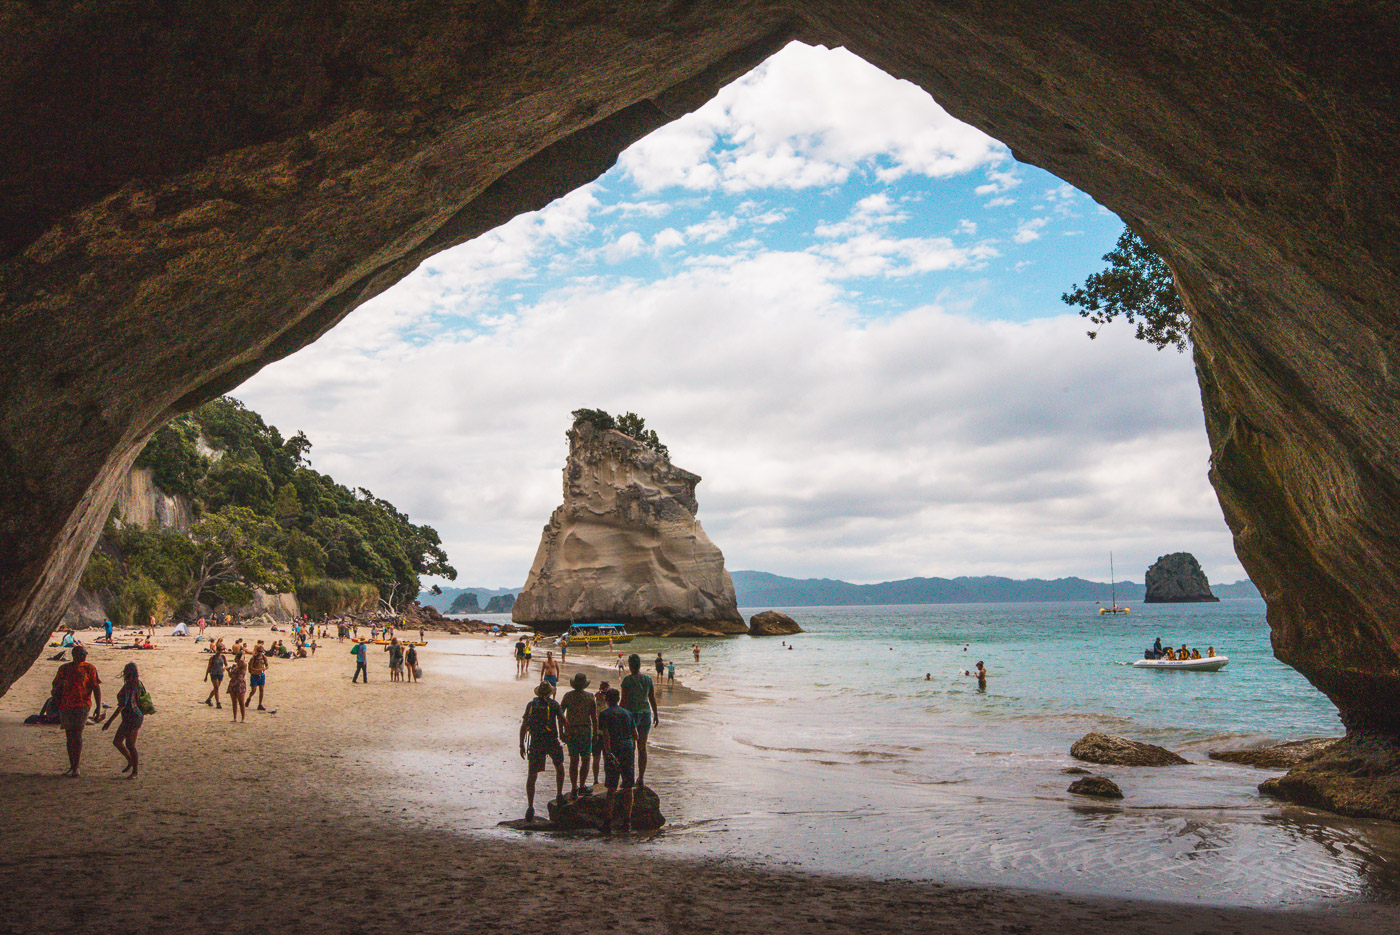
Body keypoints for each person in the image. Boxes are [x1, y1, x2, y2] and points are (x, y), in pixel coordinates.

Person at [52, 645, 102, 776]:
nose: (85, 655)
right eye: (83, 653)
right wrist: (60, 686)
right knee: (70, 735)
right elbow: (55, 685)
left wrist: (98, 706)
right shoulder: (64, 669)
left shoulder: (89, 668)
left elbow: (96, 688)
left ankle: (76, 766)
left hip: (82, 704)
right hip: (67, 705)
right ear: (76, 655)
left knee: (77, 734)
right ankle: (72, 765)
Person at [519, 682, 565, 823]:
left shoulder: (531, 705)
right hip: (551, 740)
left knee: (532, 775)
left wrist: (521, 744)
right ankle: (559, 795)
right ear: (550, 693)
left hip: (536, 741)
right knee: (560, 767)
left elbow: (524, 725)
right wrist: (564, 733)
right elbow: (563, 720)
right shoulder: (554, 705)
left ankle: (530, 807)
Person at [597, 688, 638, 835]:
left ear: (607, 700)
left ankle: (607, 823)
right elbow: (636, 735)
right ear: (619, 699)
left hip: (614, 748)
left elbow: (605, 735)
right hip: (628, 747)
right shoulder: (628, 713)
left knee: (612, 787)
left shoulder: (604, 714)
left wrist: (607, 753)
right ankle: (627, 823)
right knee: (628, 786)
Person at [620, 653, 658, 789]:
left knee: (630, 747)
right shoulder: (648, 679)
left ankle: (629, 778)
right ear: (640, 665)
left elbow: (623, 701)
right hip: (646, 714)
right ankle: (641, 778)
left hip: (632, 715)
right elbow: (652, 698)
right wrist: (656, 714)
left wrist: (618, 713)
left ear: (630, 666)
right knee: (642, 747)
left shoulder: (627, 680)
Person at [102, 662, 145, 778]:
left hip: (132, 717)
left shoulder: (128, 686)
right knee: (123, 742)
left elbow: (122, 705)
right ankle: (131, 763)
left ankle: (134, 768)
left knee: (128, 744)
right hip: (135, 716)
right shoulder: (139, 684)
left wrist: (109, 722)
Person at [559, 673, 597, 799]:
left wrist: (561, 731)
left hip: (572, 731)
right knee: (586, 759)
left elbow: (560, 714)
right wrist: (595, 733)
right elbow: (594, 718)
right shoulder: (590, 697)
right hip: (585, 730)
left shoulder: (568, 696)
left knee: (574, 760)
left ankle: (574, 787)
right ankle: (581, 786)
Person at [591, 681, 610, 786]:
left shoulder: (598, 699)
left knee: (598, 757)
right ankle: (601, 778)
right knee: (603, 757)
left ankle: (597, 779)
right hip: (603, 732)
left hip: (599, 731)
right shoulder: (604, 700)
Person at [227, 655, 248, 722]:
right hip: (234, 683)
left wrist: (242, 653)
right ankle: (235, 717)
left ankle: (243, 718)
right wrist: (228, 671)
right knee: (234, 701)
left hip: (239, 684)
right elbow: (231, 676)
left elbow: (240, 677)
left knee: (241, 702)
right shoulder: (235, 666)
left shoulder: (243, 666)